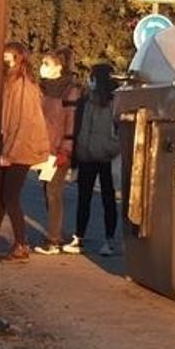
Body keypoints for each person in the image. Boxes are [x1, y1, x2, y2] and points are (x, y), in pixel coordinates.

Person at [0, 41, 52, 263]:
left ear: (17, 57)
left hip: (20, 148)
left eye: (8, 56)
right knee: (3, 197)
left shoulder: (22, 85)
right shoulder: (13, 82)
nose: (4, 59)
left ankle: (21, 244)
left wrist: (8, 153)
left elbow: (22, 123)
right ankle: (12, 243)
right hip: (13, 147)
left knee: (9, 196)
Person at [66, 62, 121, 256]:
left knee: (108, 198)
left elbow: (119, 130)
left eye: (92, 77)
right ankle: (79, 236)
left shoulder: (115, 102)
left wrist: (111, 149)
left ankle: (109, 239)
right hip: (86, 154)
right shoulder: (86, 100)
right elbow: (78, 127)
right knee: (84, 197)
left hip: (105, 156)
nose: (89, 80)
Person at [33, 48, 82, 254]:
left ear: (58, 67)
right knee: (47, 191)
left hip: (59, 149)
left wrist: (66, 149)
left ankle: (53, 240)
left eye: (47, 64)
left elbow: (71, 121)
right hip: (42, 149)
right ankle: (55, 233)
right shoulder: (41, 88)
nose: (42, 68)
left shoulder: (70, 90)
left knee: (54, 193)